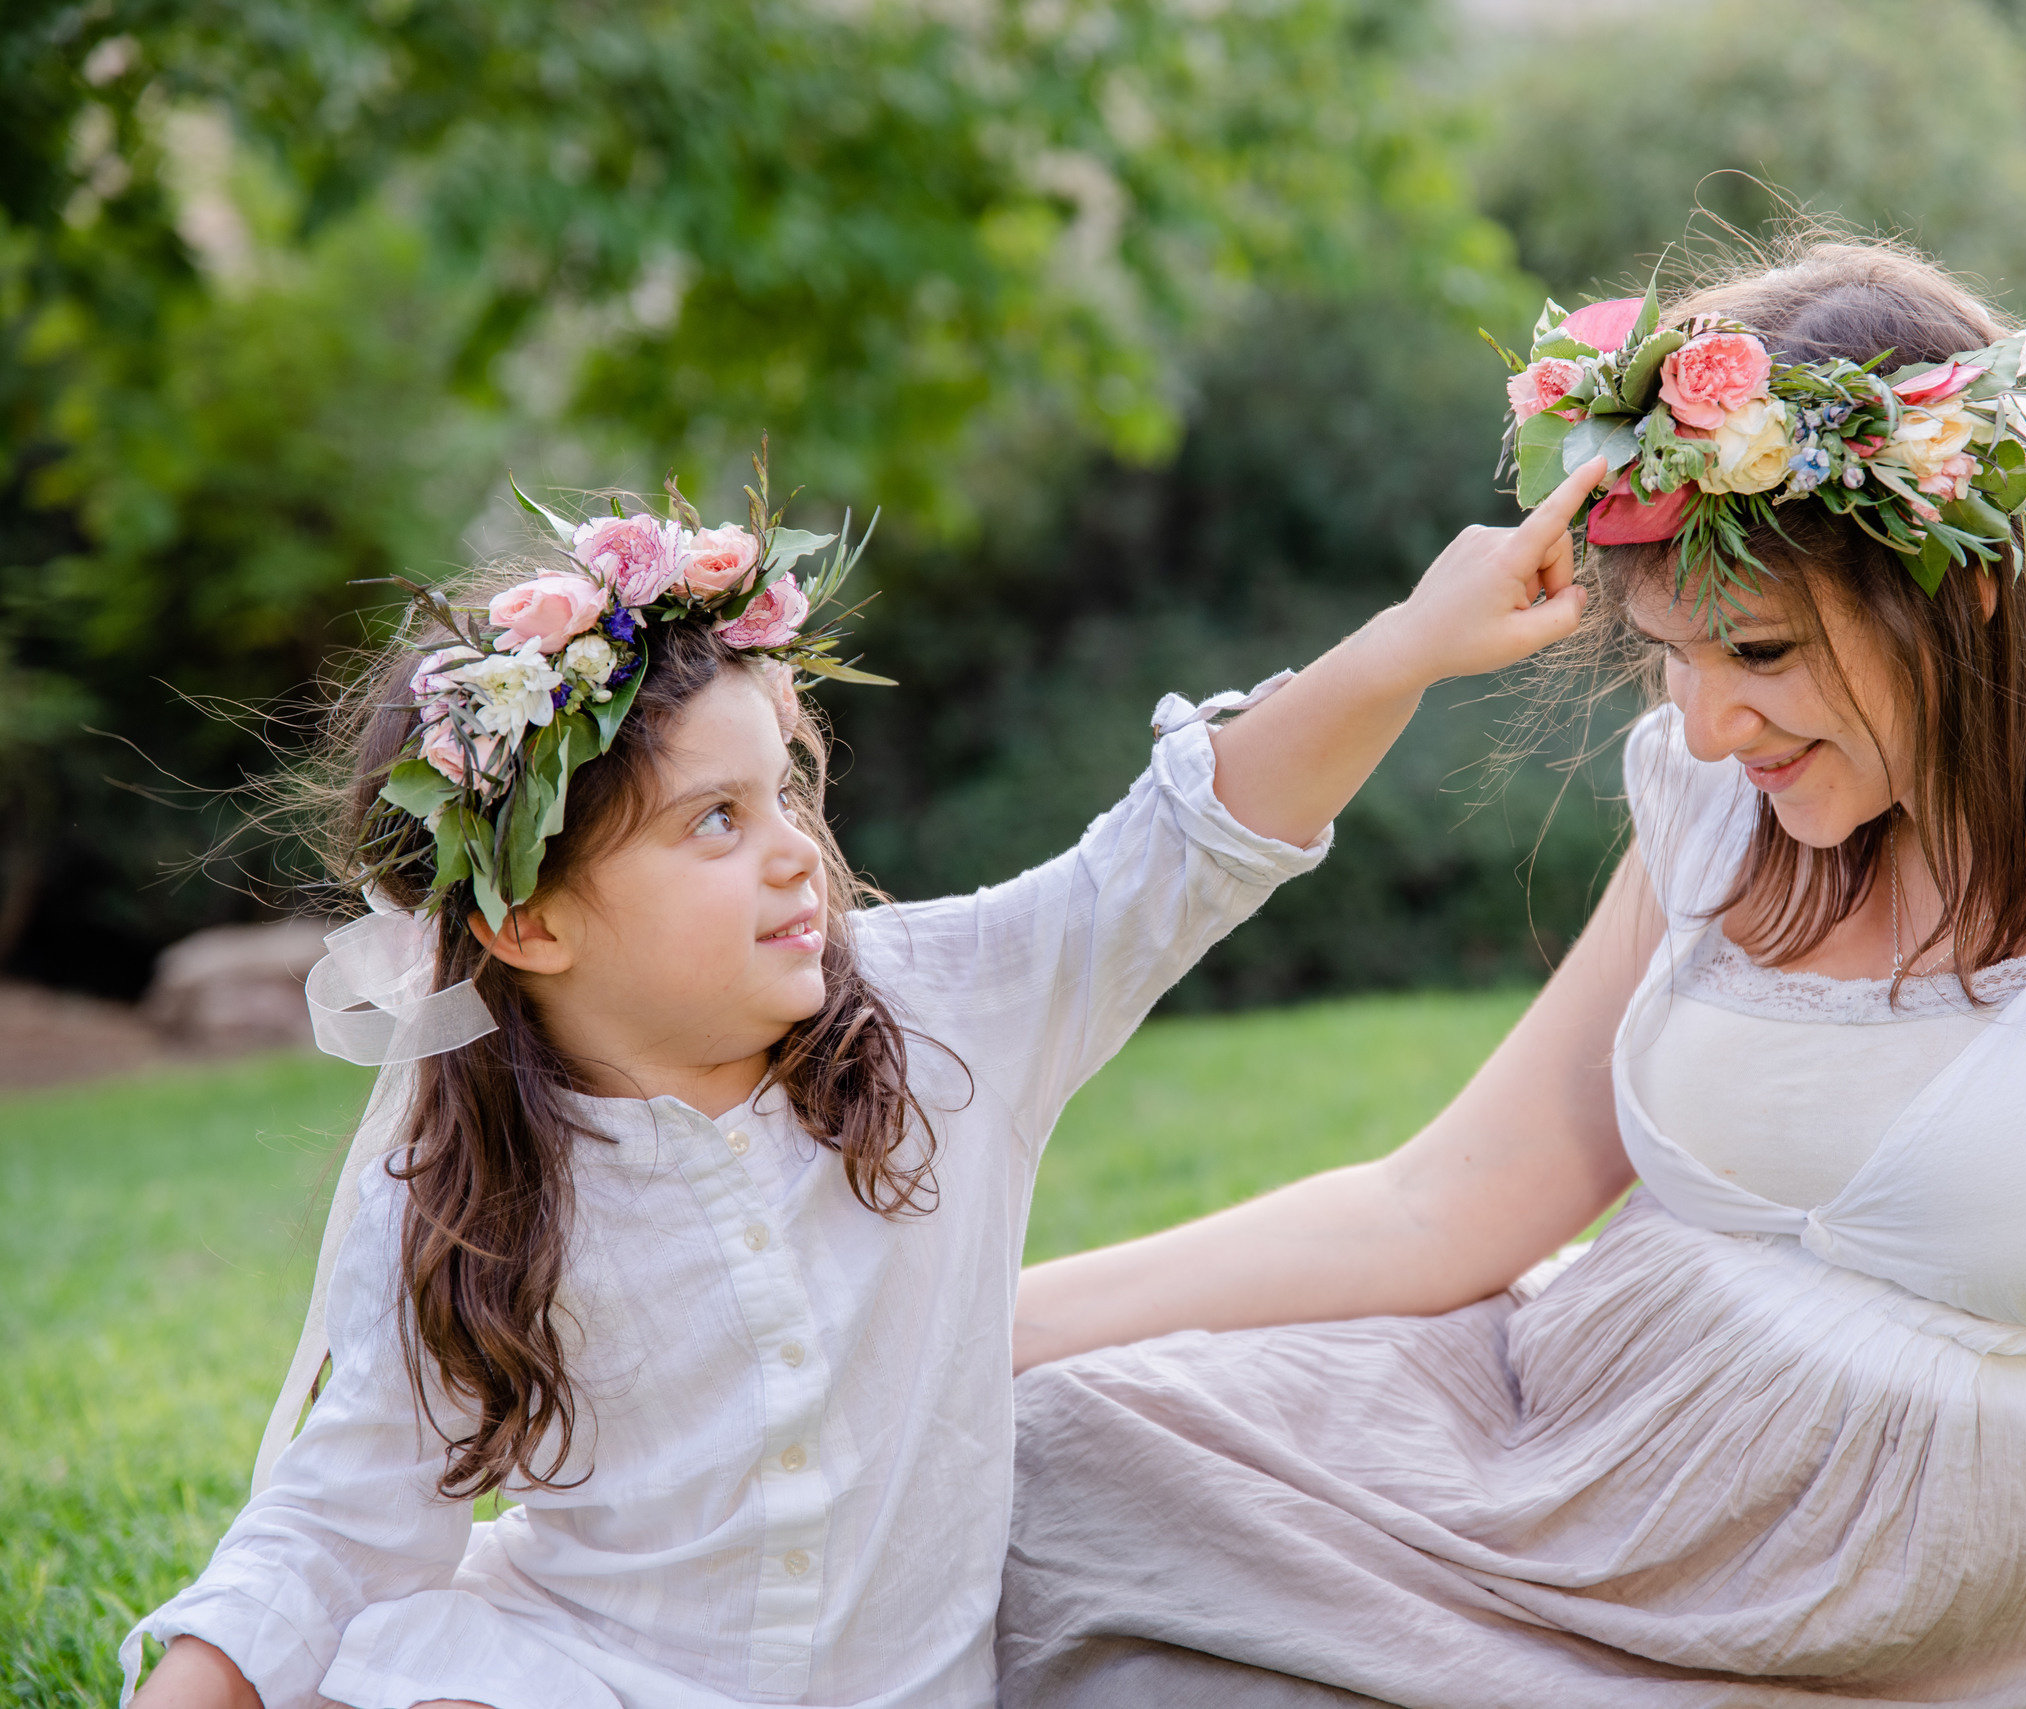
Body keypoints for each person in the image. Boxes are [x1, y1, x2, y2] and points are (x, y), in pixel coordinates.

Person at [999, 237, 2026, 1708]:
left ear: (1968, 582)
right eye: (1672, 652)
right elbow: (1445, 1200)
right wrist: (959, 1322)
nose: (1705, 722)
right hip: (1528, 1474)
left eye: (1760, 651)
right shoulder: (1732, 802)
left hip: (1857, 1652)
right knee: (1030, 1449)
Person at [120, 453, 1609, 1708]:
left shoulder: (942, 1017)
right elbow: (340, 1515)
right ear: (530, 923)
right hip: (589, 1673)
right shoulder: (463, 1183)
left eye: (785, 793)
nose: (794, 852)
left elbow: (1180, 855)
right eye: (714, 821)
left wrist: (1407, 644)